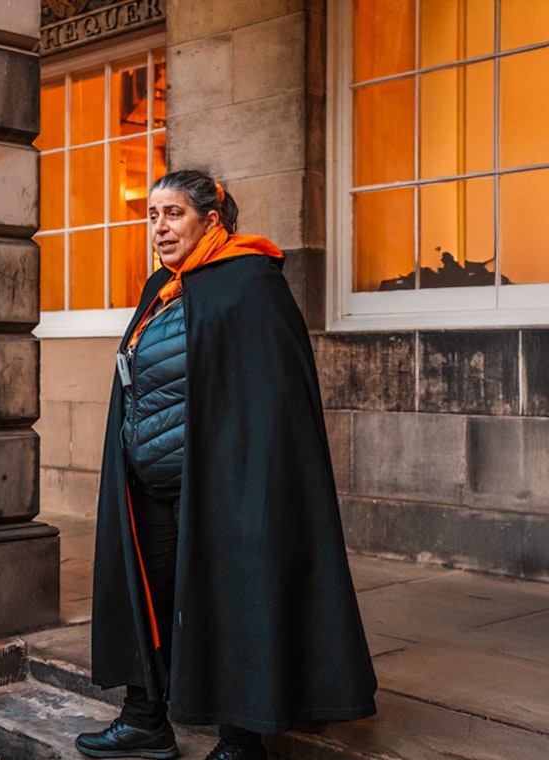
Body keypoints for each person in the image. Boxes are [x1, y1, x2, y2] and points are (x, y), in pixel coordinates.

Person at [76, 170, 377, 760]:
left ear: (210, 220)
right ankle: (144, 720)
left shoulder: (249, 284)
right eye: (153, 216)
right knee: (148, 597)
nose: (160, 228)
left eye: (174, 214)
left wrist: (242, 474)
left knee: (237, 597)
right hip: (150, 486)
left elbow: (272, 396)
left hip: (221, 484)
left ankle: (241, 739)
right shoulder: (163, 286)